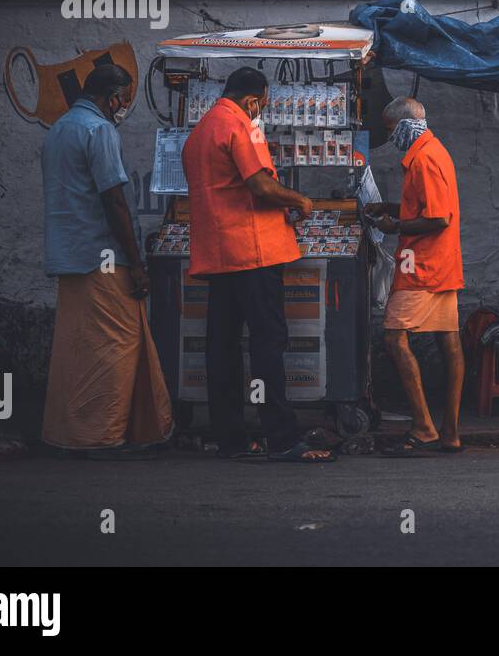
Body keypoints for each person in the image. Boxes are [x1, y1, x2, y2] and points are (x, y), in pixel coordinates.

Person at [182, 67, 333, 463]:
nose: (259, 111)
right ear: (253, 100)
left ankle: (229, 437)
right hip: (253, 252)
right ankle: (281, 437)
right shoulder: (239, 125)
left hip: (218, 256)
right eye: (261, 105)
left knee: (223, 347)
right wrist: (299, 201)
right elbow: (260, 185)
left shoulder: (199, 133)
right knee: (268, 344)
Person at [41, 64, 173, 458]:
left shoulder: (59, 129)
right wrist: (136, 262)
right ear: (113, 98)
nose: (122, 107)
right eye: (122, 100)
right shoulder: (99, 131)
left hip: (70, 254)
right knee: (118, 342)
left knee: (80, 346)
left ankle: (76, 431)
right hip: (101, 256)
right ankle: (100, 435)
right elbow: (114, 199)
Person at [364, 97, 465, 456]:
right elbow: (428, 208)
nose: (392, 140)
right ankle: (450, 433)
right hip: (443, 264)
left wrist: (396, 224)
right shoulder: (433, 151)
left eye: (392, 132)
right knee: (448, 342)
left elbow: (438, 219)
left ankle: (424, 426)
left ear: (406, 127)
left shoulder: (423, 159)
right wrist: (389, 207)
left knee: (394, 337)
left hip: (422, 266)